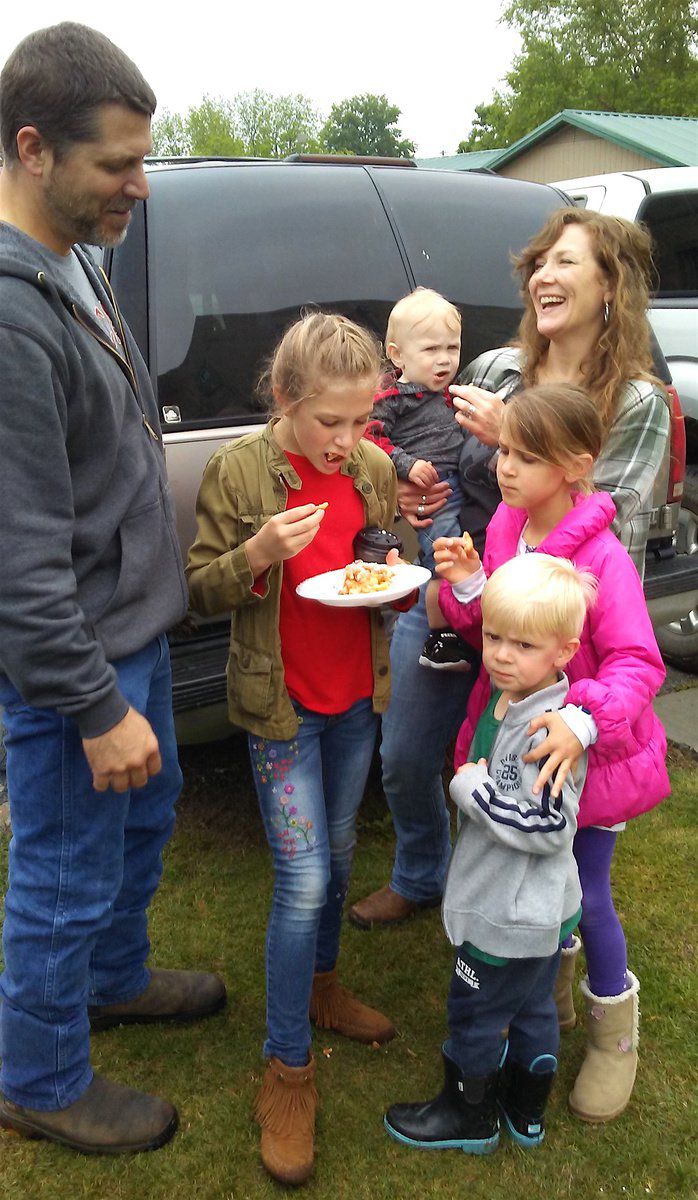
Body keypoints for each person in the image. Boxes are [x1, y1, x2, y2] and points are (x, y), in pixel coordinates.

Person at [0, 23, 225, 1157]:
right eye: (116, 165)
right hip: (74, 666)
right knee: (59, 874)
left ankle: (112, 979)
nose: (139, 184)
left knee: (140, 827)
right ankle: (38, 1076)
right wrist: (91, 710)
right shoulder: (6, 314)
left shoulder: (72, 255)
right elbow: (18, 561)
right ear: (33, 149)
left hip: (131, 635)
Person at [349, 206, 670, 933]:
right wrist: (412, 485)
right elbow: (430, 444)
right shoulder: (494, 367)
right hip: (457, 595)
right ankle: (423, 875)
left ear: (610, 286)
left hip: (551, 632)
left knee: (516, 768)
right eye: (541, 262)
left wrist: (516, 435)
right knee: (404, 755)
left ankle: (521, 926)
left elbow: (604, 519)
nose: (544, 276)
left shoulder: (639, 401)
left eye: (567, 262)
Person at [186, 312, 405, 1187]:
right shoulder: (240, 470)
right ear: (284, 399)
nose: (349, 442)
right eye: (331, 423)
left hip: (355, 697)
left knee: (343, 855)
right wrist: (257, 552)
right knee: (305, 877)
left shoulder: (376, 468)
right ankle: (287, 1070)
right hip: (281, 708)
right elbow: (200, 590)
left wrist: (406, 548)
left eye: (363, 421)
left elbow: (387, 566)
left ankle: (321, 988)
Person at [435, 385, 669, 1123]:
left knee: (585, 890)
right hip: (516, 742)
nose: (504, 468)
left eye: (525, 457)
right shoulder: (508, 526)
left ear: (576, 467)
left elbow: (638, 662)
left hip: (589, 760)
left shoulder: (601, 557)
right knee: (537, 882)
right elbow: (505, 630)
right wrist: (471, 585)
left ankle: (612, 1036)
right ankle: (546, 995)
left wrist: (582, 721)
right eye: (504, 450)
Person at [384, 553, 594, 1155]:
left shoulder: (545, 734)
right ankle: (526, 1113)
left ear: (563, 652)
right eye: (495, 636)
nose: (501, 654)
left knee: (474, 1009)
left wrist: (474, 793)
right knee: (531, 1005)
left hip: (508, 912)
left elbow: (549, 826)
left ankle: (467, 1113)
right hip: (537, 910)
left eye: (523, 645)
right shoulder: (515, 699)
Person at [369, 287, 474, 671]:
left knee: (459, 551)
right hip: (431, 492)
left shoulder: (452, 394)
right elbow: (370, 438)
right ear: (397, 354)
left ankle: (463, 623)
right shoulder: (394, 397)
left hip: (456, 484)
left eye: (452, 348)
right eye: (431, 350)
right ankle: (442, 638)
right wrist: (406, 465)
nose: (444, 359)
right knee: (443, 556)